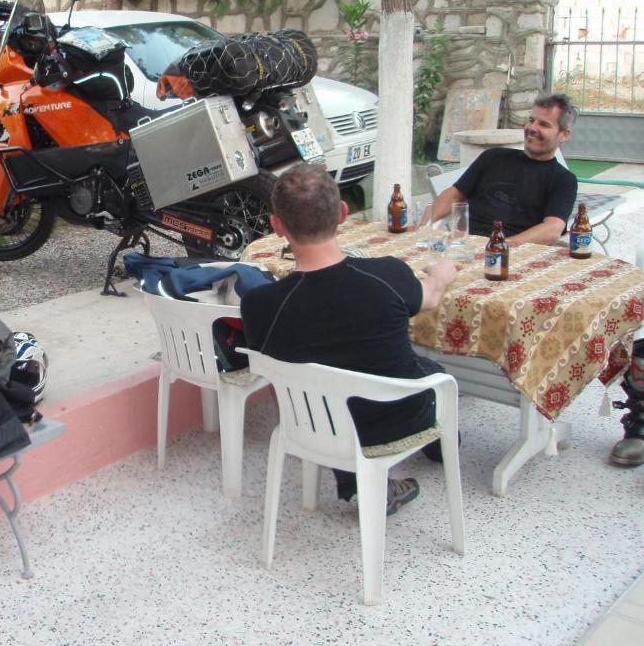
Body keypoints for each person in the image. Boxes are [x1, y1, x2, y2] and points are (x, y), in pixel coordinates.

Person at [241, 164, 458, 514]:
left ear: (277, 226)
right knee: (434, 369)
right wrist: (442, 274)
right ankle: (442, 448)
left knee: (333, 369)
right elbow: (431, 298)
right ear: (343, 214)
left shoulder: (258, 304)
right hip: (394, 420)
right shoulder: (387, 273)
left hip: (313, 422)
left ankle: (356, 481)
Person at [430, 93, 579, 246]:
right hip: (465, 245)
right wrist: (422, 227)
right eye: (531, 120)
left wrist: (500, 246)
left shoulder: (563, 180)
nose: (533, 128)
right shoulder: (494, 157)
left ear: (564, 135)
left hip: (512, 254)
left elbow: (552, 229)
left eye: (544, 124)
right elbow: (454, 195)